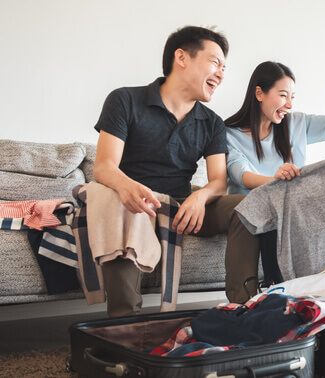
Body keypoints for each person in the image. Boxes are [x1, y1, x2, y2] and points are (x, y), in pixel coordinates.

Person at [93, 26, 259, 317]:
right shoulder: (124, 101)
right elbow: (104, 166)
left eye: (224, 67)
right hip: (135, 204)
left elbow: (219, 181)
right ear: (181, 57)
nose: (221, 73)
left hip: (181, 204)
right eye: (215, 62)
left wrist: (199, 197)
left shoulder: (212, 123)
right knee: (118, 205)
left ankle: (242, 310)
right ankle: (124, 325)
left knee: (249, 205)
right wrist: (125, 187)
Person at [224, 57, 325, 194]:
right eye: (283, 95)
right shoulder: (229, 135)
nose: (290, 105)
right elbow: (240, 174)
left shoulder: (296, 123)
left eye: (292, 97)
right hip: (251, 214)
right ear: (259, 93)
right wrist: (276, 181)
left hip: (290, 212)